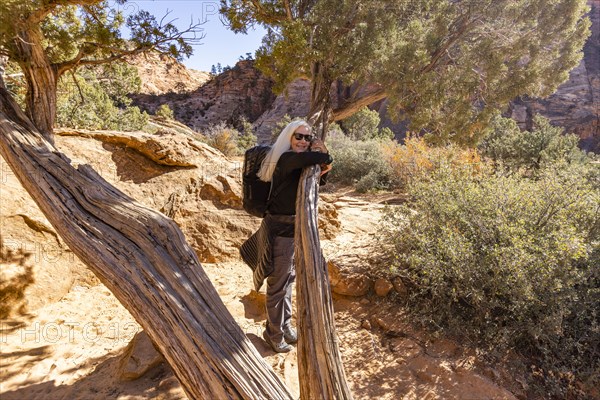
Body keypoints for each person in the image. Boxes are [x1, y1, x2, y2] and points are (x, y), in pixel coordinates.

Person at [240, 120, 332, 353]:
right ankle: (274, 334)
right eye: (298, 137)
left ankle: (286, 326)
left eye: (307, 138)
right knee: (278, 284)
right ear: (290, 138)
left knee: (288, 281)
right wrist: (323, 152)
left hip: (292, 231)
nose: (303, 141)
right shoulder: (287, 158)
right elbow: (320, 160)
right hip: (281, 232)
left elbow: (315, 178)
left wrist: (323, 167)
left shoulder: (295, 160)